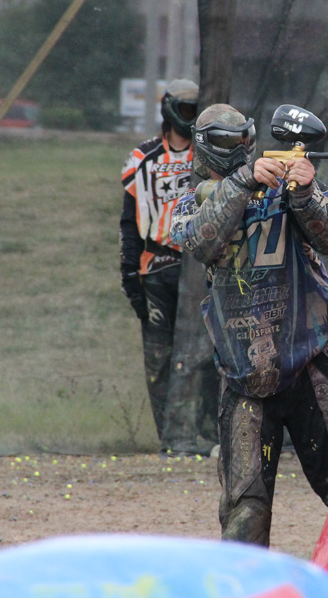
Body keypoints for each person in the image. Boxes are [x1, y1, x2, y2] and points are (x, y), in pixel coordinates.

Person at [170, 103, 328, 546]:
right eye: (226, 141)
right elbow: (199, 241)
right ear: (205, 147)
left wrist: (305, 194)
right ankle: (246, 582)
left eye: (243, 139)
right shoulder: (193, 201)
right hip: (245, 376)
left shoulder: (287, 188)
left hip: (310, 364)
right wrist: (243, 181)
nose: (237, 148)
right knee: (246, 511)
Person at [120, 79, 199, 450]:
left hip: (200, 267)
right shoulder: (143, 158)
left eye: (196, 111)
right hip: (156, 267)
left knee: (204, 356)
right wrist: (129, 275)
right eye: (186, 110)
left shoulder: (210, 155)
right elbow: (129, 221)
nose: (191, 118)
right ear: (170, 109)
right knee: (158, 359)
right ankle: (171, 439)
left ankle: (203, 434)